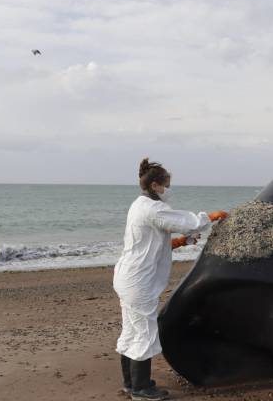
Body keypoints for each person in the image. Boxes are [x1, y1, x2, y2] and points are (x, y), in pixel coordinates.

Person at [113, 158, 227, 400]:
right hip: (138, 282)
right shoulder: (153, 209)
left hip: (128, 276)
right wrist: (210, 217)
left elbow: (149, 240)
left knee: (132, 331)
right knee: (144, 332)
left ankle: (130, 382)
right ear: (155, 185)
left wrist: (177, 243)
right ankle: (142, 388)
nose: (168, 189)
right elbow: (186, 222)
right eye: (166, 185)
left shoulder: (139, 205)